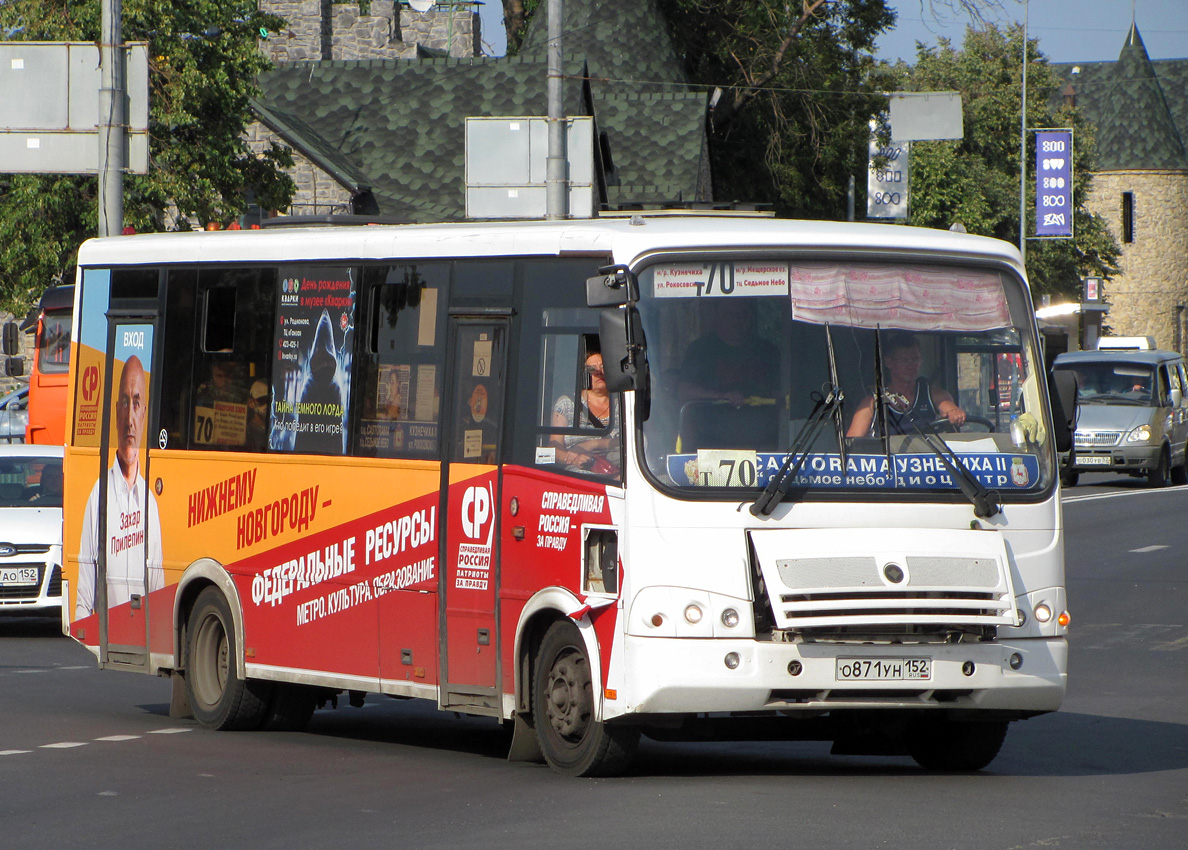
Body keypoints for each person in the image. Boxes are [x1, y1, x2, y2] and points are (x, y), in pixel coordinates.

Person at [76, 355, 164, 619]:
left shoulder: (149, 501)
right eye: (125, 403)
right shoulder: (99, 494)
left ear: (145, 413)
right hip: (109, 634)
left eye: (136, 403)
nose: (130, 419)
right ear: (115, 411)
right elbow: (83, 594)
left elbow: (158, 588)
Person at [846, 333, 966, 437]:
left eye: (915, 359)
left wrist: (954, 412)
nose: (911, 366)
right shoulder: (872, 403)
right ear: (889, 362)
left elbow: (950, 409)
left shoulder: (935, 396)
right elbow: (853, 443)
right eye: (904, 360)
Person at [679, 299, 779, 405]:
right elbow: (685, 392)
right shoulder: (700, 349)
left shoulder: (767, 350)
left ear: (751, 316)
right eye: (729, 314)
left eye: (743, 314)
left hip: (762, 418)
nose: (736, 319)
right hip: (712, 419)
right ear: (716, 316)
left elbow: (781, 392)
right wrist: (722, 397)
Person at [551, 349, 620, 473]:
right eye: (592, 369)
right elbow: (554, 445)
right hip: (582, 470)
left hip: (618, 465)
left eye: (603, 366)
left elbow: (637, 440)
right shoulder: (567, 403)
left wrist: (592, 444)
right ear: (582, 375)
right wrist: (573, 458)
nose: (599, 372)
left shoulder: (624, 403)